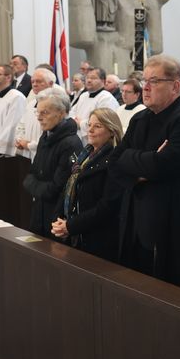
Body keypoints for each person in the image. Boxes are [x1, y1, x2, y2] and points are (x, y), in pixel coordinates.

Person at [108, 55, 180, 291]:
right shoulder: (139, 119)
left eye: (154, 81)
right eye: (144, 81)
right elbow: (113, 163)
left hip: (172, 225)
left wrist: (138, 164)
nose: (146, 87)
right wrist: (147, 165)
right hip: (135, 220)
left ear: (175, 86)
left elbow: (161, 166)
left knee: (171, 297)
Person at [51, 108, 125, 261]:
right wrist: (60, 221)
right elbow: (68, 190)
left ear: (112, 131)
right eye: (89, 125)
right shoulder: (84, 157)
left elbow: (107, 206)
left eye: (97, 126)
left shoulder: (115, 160)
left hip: (100, 238)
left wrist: (70, 226)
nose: (90, 130)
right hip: (78, 232)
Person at [21, 92, 82, 237]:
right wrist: (37, 185)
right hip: (40, 210)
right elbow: (31, 175)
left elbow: (57, 187)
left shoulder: (70, 143)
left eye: (45, 112)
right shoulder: (46, 137)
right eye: (38, 112)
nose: (39, 117)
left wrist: (35, 186)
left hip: (57, 214)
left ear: (61, 113)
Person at [14, 68, 61, 160]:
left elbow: (54, 135)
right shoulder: (31, 104)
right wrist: (19, 139)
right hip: (27, 155)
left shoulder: (57, 105)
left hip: (46, 155)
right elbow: (21, 124)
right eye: (33, 82)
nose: (35, 84)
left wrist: (30, 145)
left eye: (39, 81)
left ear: (51, 84)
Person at [70, 66, 118, 142]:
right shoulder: (83, 95)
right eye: (87, 78)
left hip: (97, 140)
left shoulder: (106, 98)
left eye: (93, 78)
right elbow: (72, 112)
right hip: (78, 137)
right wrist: (74, 121)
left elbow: (103, 122)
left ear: (103, 81)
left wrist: (81, 123)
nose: (89, 80)